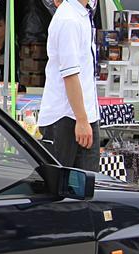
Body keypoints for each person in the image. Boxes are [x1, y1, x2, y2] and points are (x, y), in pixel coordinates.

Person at [37, 0, 100, 171]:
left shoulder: (82, 14)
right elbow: (70, 74)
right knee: (61, 183)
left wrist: (85, 118)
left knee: (87, 182)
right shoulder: (68, 18)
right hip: (66, 117)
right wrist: (81, 119)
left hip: (81, 115)